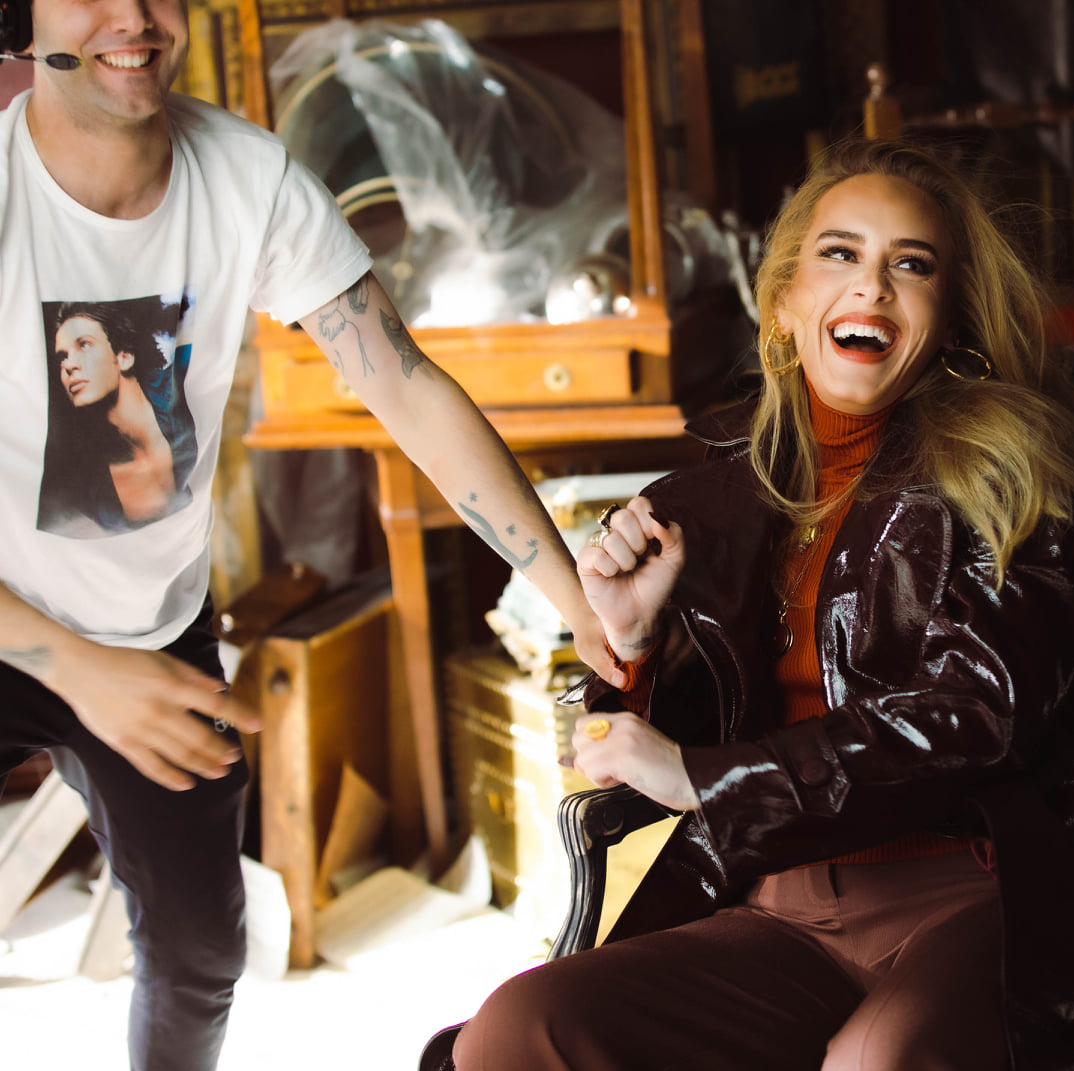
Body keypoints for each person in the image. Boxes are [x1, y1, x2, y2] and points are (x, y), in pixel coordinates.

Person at [448, 139, 1074, 1070]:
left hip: (990, 902)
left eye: (911, 264)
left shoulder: (1009, 476)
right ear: (782, 303)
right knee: (520, 1027)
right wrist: (636, 641)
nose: (873, 285)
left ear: (949, 317)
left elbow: (979, 716)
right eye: (840, 253)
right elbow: (645, 750)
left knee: (875, 1060)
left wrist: (704, 779)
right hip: (780, 913)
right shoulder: (703, 506)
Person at [0, 2, 616, 1069]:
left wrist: (576, 605)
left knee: (201, 955)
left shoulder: (246, 178)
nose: (134, 19)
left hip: (152, 630)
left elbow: (405, 387)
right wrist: (81, 671)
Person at [40, 298, 198, 534]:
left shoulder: (182, 386)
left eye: (84, 345)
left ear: (124, 357)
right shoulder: (87, 485)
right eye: (62, 357)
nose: (68, 365)